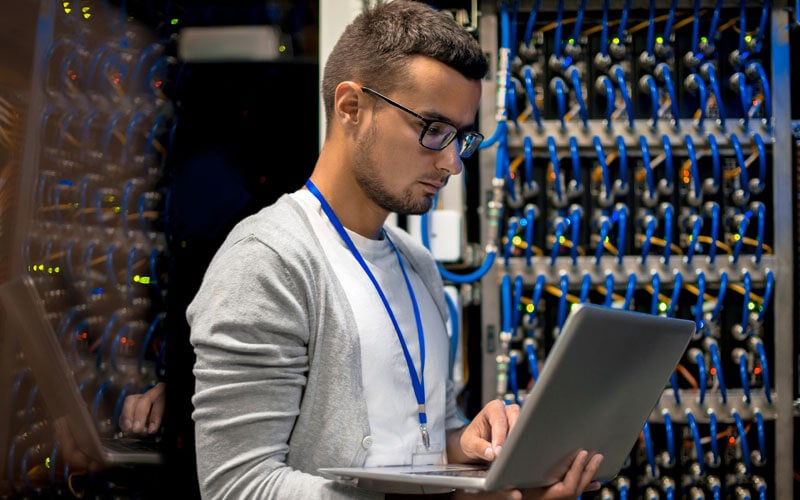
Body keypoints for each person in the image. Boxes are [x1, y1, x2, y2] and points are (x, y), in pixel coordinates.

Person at [187, 1, 604, 498]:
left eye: (461, 138)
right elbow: (238, 485)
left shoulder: (418, 264)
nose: (451, 163)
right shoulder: (268, 261)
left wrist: (467, 447)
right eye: (433, 130)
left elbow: (419, 445)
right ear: (351, 108)